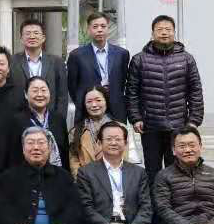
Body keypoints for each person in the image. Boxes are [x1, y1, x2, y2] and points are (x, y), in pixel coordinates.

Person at [127, 15, 205, 185]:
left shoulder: (186, 59)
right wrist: (136, 118)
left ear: (174, 32)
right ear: (152, 33)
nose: (164, 33)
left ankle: (176, 200)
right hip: (150, 126)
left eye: (168, 29)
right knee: (152, 171)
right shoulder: (139, 59)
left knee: (177, 170)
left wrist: (194, 120)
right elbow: (132, 92)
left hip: (178, 126)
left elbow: (195, 92)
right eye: (160, 29)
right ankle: (153, 200)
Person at [67, 12, 130, 122]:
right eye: (95, 27)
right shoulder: (76, 55)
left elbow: (123, 82)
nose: (99, 30)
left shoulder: (122, 54)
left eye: (103, 26)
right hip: (88, 110)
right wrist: (84, 102)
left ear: (108, 28)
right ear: (88, 30)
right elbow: (72, 86)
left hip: (116, 110)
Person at [5, 77, 70, 172]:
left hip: (56, 175)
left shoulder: (59, 119)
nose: (40, 94)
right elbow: (11, 156)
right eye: (35, 91)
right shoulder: (15, 121)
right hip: (26, 175)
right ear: (26, 94)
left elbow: (65, 152)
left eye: (43, 90)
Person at [10, 19, 69, 119]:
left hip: (49, 119)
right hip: (19, 119)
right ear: (21, 39)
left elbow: (62, 96)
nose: (32, 36)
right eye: (28, 33)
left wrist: (59, 121)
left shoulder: (57, 62)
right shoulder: (12, 62)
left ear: (43, 38)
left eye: (36, 33)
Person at [68, 85, 122, 177]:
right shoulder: (76, 131)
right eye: (89, 101)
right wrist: (82, 180)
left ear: (106, 102)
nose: (94, 105)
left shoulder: (120, 129)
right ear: (84, 105)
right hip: (85, 181)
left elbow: (125, 160)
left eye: (98, 100)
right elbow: (74, 161)